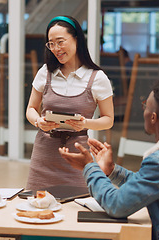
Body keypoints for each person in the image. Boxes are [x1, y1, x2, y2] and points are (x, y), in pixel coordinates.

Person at [59, 77, 159, 239]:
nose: (144, 111)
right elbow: (150, 182)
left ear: (153, 117)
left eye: (145, 106)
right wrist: (111, 170)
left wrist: (89, 166)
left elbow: (116, 205)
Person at [25, 16, 114, 190]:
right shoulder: (45, 72)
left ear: (77, 39)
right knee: (37, 209)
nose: (56, 49)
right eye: (51, 44)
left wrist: (85, 124)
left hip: (78, 156)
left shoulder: (97, 78)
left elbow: (108, 119)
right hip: (43, 154)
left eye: (60, 42)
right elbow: (31, 109)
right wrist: (38, 122)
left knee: (75, 209)